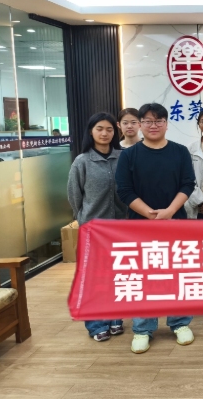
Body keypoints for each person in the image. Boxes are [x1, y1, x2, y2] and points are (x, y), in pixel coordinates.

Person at [115, 103, 196, 354]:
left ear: (166, 124)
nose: (154, 125)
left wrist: (169, 211)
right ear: (140, 124)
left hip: (176, 223)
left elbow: (188, 184)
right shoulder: (129, 155)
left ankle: (180, 323)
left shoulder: (180, 151)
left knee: (177, 276)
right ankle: (142, 329)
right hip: (140, 226)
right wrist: (150, 214)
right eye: (148, 121)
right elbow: (124, 190)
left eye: (159, 120)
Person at [67, 112, 127, 342]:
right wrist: (84, 220)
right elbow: (74, 196)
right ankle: (96, 324)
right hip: (94, 229)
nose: (104, 133)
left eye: (109, 129)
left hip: (121, 228)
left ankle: (115, 318)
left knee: (118, 275)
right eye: (99, 129)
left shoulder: (123, 157)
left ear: (115, 132)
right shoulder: (82, 161)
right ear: (91, 132)